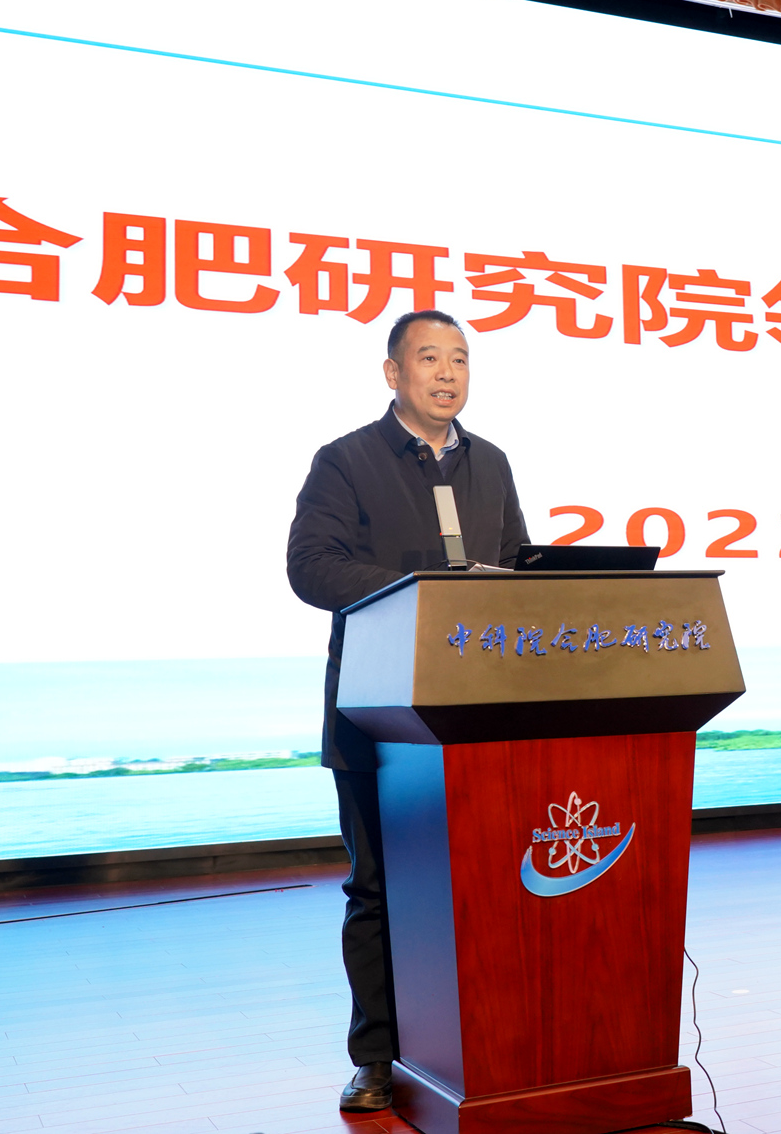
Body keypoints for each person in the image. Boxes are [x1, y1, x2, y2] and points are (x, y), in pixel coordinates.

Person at [286, 309, 530, 1112]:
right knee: (378, 887)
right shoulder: (346, 460)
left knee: (484, 887)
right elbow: (311, 567)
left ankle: (482, 1044)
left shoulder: (491, 462)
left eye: (460, 358)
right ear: (393, 372)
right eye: (430, 358)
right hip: (379, 710)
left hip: (479, 714)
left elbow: (519, 568)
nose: (448, 372)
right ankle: (378, 1057)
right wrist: (420, 594)